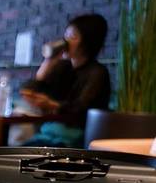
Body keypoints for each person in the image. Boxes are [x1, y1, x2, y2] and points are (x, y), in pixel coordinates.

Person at [20, 13, 110, 148]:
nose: (66, 42)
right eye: (66, 36)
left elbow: (81, 109)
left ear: (88, 42)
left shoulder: (97, 72)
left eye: (72, 37)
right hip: (51, 134)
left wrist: (53, 105)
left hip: (78, 139)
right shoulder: (63, 67)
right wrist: (47, 63)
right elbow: (27, 90)